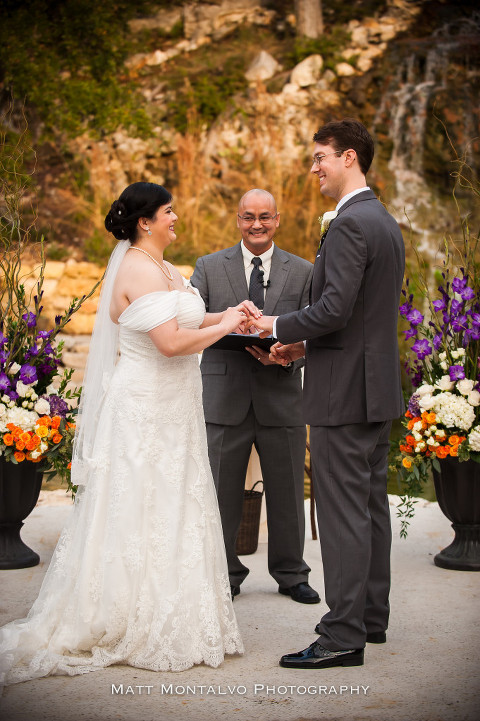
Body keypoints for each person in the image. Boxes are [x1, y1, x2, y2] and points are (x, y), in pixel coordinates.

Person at [0, 182, 253, 686]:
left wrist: (227, 315)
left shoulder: (163, 267)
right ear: (145, 222)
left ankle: (173, 612)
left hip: (174, 407)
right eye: (168, 211)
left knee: (175, 505)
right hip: (143, 409)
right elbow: (171, 344)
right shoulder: (137, 268)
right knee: (140, 507)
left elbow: (183, 317)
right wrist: (225, 327)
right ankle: (123, 617)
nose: (176, 217)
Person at [252, 120, 405, 668]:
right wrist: (305, 350)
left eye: (320, 158)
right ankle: (370, 617)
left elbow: (335, 309)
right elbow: (360, 318)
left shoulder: (348, 224)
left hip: (344, 395)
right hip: (373, 387)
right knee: (368, 508)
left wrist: (274, 328)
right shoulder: (383, 220)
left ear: (348, 157)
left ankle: (342, 636)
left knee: (342, 514)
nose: (313, 167)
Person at [190, 189, 319, 605]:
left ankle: (291, 573)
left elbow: (314, 332)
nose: (257, 224)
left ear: (277, 220)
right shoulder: (208, 268)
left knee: (287, 494)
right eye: (249, 217)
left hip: (281, 394)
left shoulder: (303, 271)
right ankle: (225, 572)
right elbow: (190, 326)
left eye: (265, 217)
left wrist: (287, 358)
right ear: (238, 219)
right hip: (223, 395)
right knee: (220, 494)